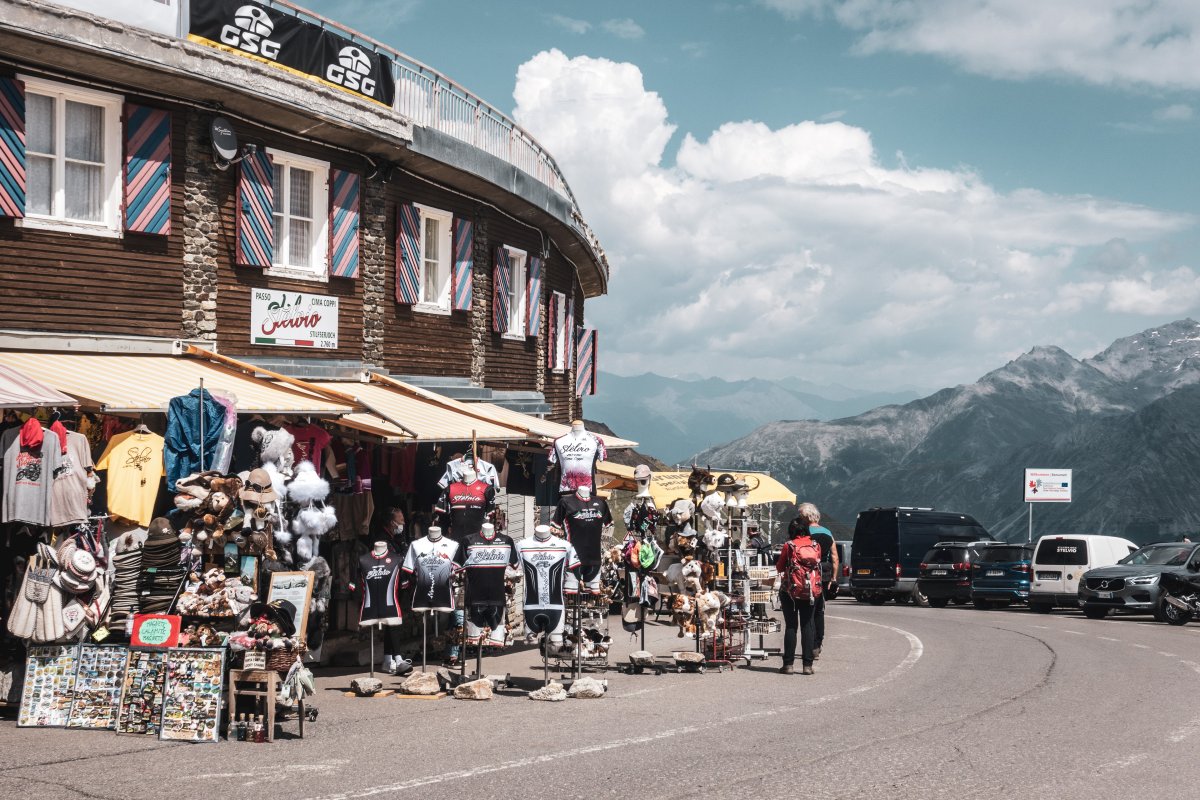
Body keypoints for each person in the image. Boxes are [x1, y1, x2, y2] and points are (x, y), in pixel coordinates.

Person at [776, 515, 819, 675]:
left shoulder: (789, 545)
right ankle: (807, 666)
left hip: (790, 591)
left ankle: (788, 665)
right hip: (811, 591)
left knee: (792, 626)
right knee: (808, 626)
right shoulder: (816, 545)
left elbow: (780, 567)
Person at [798, 502, 838, 661]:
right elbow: (835, 557)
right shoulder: (827, 532)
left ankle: (809, 645)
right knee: (819, 610)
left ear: (805, 517)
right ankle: (817, 644)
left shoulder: (803, 533)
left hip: (805, 574)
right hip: (824, 573)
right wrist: (834, 578)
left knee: (808, 611)